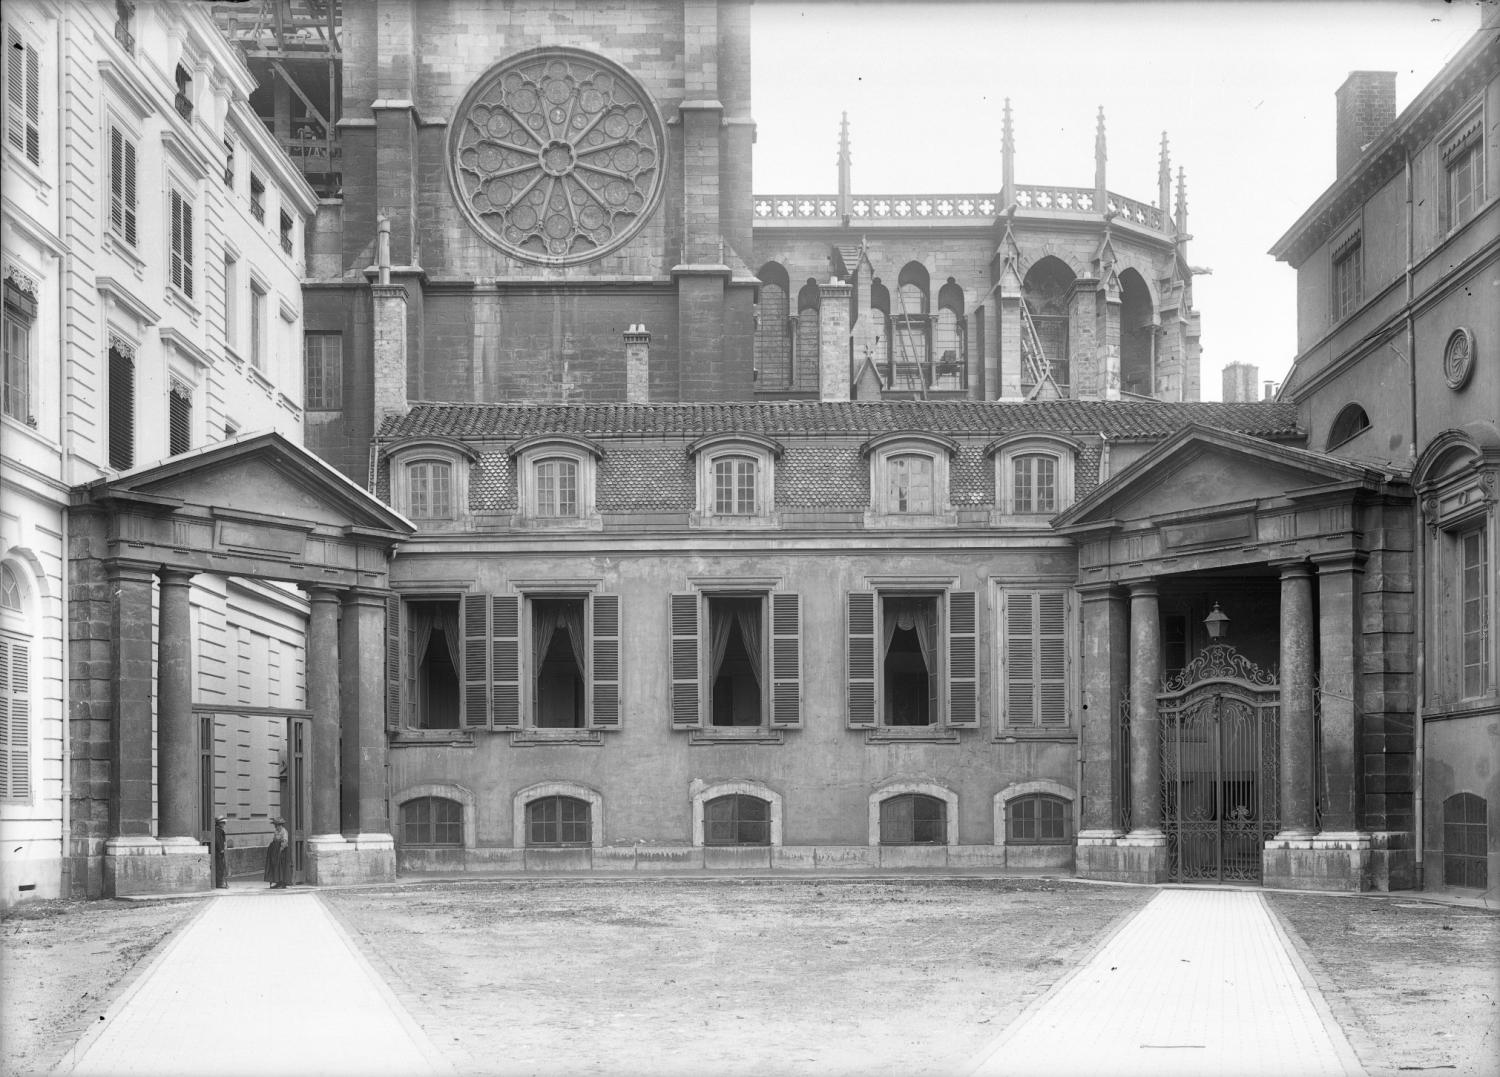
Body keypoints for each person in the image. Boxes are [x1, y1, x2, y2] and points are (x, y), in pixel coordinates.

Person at [264, 817, 292, 889]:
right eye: (275, 825)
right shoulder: (276, 831)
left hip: (282, 852)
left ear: (280, 825)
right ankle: (277, 881)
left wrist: (281, 849)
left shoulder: (284, 831)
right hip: (276, 851)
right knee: (275, 866)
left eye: (277, 825)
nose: (276, 827)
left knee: (282, 867)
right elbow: (274, 840)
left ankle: (283, 883)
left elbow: (285, 841)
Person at [213, 815, 229, 889]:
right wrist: (221, 849)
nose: (224, 824)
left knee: (221, 867)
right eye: (223, 823)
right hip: (218, 852)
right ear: (219, 823)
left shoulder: (219, 830)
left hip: (220, 851)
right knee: (219, 867)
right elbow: (217, 841)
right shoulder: (217, 830)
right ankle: (219, 883)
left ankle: (221, 882)